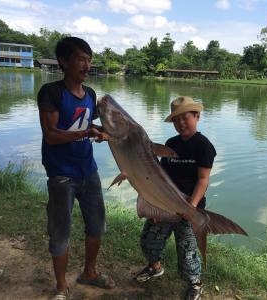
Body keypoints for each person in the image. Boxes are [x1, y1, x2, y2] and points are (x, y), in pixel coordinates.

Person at [37, 36, 114, 300]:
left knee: (97, 225)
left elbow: (85, 125)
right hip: (61, 174)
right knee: (60, 232)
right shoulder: (52, 92)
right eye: (81, 58)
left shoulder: (90, 94)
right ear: (64, 61)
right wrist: (84, 133)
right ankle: (61, 286)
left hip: (88, 170)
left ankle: (89, 273)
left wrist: (103, 133)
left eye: (89, 59)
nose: (87, 64)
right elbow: (51, 135)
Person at [134, 96, 217, 300]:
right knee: (148, 241)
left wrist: (192, 207)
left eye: (185, 118)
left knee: (187, 250)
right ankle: (156, 268)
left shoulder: (204, 146)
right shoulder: (171, 143)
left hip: (191, 207)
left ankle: (195, 284)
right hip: (165, 205)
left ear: (197, 116)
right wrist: (155, 205)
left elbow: (203, 180)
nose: (180, 123)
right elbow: (162, 177)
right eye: (176, 120)